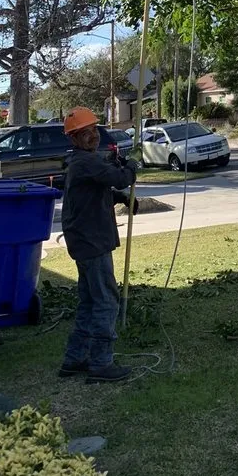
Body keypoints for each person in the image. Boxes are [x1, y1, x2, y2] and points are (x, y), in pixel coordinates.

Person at [59, 107, 139, 383]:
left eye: (94, 130)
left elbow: (98, 189)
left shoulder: (82, 163)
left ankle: (75, 358)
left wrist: (118, 197)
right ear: (74, 138)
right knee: (106, 300)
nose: (92, 136)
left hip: (84, 240)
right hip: (91, 242)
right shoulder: (85, 162)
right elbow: (119, 177)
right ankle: (101, 364)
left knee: (90, 300)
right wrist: (131, 166)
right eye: (85, 133)